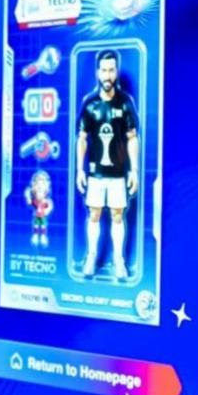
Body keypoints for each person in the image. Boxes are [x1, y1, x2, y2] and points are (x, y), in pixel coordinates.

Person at [74, 49, 139, 279]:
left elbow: (132, 138)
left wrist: (134, 170)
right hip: (96, 175)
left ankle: (119, 260)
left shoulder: (125, 103)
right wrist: (79, 170)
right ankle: (91, 256)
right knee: (94, 213)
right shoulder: (90, 105)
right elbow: (82, 139)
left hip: (118, 174)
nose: (107, 75)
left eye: (111, 70)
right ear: (97, 72)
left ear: (116, 71)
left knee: (118, 215)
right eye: (104, 70)